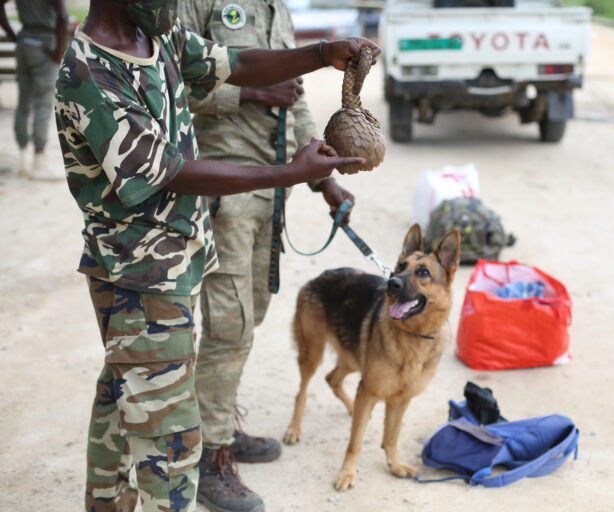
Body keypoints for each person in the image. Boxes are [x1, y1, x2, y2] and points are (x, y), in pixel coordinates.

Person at [53, 0, 377, 510]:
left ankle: (107, 502)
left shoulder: (153, 37)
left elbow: (237, 63)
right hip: (139, 274)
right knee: (172, 445)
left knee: (121, 399)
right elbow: (167, 171)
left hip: (176, 257)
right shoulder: (91, 73)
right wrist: (290, 173)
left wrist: (322, 53)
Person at [176, 2, 356, 511]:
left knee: (248, 316)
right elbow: (167, 81)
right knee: (229, 324)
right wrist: (249, 91)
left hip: (273, 193)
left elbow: (294, 102)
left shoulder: (276, 8)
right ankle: (208, 458)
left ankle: (217, 428)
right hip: (222, 189)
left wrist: (325, 182)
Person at [0, 0, 67, 179]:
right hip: (44, 44)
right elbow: (62, 17)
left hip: (24, 42)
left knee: (23, 101)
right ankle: (39, 160)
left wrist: (14, 36)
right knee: (43, 103)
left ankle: (23, 155)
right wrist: (59, 51)